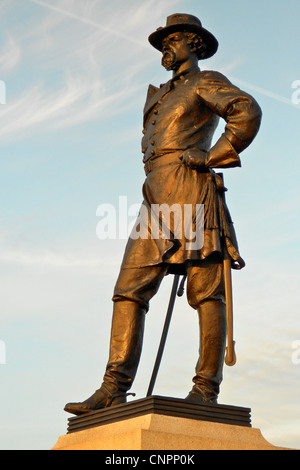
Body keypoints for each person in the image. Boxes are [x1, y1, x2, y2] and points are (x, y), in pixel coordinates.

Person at [64, 13, 262, 415]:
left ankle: (205, 388)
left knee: (205, 291)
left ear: (193, 43)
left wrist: (213, 155)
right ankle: (113, 387)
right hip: (155, 196)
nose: (166, 48)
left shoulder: (205, 81)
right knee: (128, 288)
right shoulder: (160, 94)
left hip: (191, 191)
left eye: (173, 41)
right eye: (163, 42)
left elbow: (246, 110)